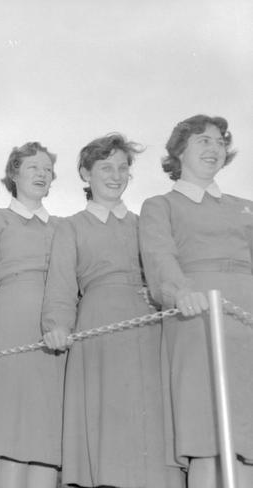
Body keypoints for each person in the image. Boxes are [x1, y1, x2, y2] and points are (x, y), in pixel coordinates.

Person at [42, 134, 184, 487]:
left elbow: (168, 272)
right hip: (99, 325)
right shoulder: (69, 227)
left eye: (123, 168)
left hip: (150, 328)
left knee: (152, 422)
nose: (116, 175)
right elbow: (60, 287)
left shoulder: (144, 224)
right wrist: (57, 325)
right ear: (86, 173)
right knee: (107, 425)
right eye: (106, 166)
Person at [139, 115, 253, 488]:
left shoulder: (245, 206)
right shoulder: (161, 205)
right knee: (206, 437)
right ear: (179, 151)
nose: (214, 148)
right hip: (197, 317)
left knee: (248, 438)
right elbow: (159, 258)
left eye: (220, 142)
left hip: (247, 319)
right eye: (203, 140)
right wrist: (180, 292)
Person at [0, 142, 63, 488]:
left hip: (55, 330)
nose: (42, 174)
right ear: (14, 174)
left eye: (47, 170)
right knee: (13, 436)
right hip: (11, 326)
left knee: (47, 437)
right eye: (33, 167)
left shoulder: (64, 227)